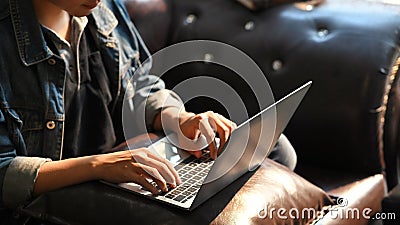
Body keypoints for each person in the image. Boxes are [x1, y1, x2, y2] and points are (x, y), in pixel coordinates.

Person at [0, 0, 297, 223]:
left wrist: (178, 119)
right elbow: (4, 174)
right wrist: (100, 165)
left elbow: (139, 83)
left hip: (116, 173)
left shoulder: (103, 8)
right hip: (52, 203)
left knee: (274, 149)